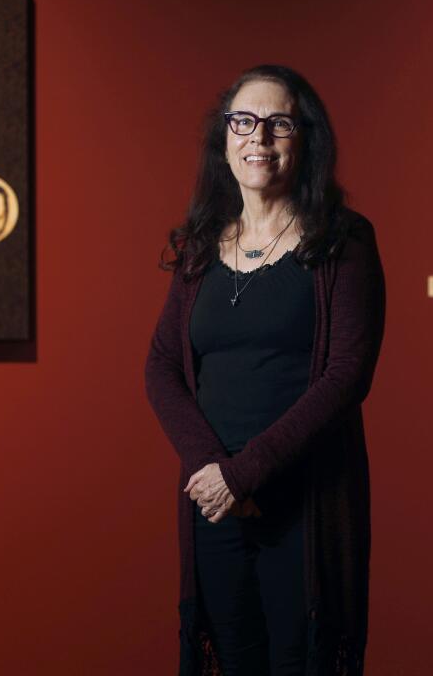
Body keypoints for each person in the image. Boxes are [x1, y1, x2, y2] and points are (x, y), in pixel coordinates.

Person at [145, 64, 385, 675]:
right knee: (230, 658)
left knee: (298, 660)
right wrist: (212, 472)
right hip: (216, 506)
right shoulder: (200, 245)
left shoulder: (343, 242)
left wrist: (247, 474)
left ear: (304, 139)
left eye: (278, 123)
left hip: (302, 505)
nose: (259, 137)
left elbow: (348, 373)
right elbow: (163, 365)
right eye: (244, 122)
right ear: (224, 139)